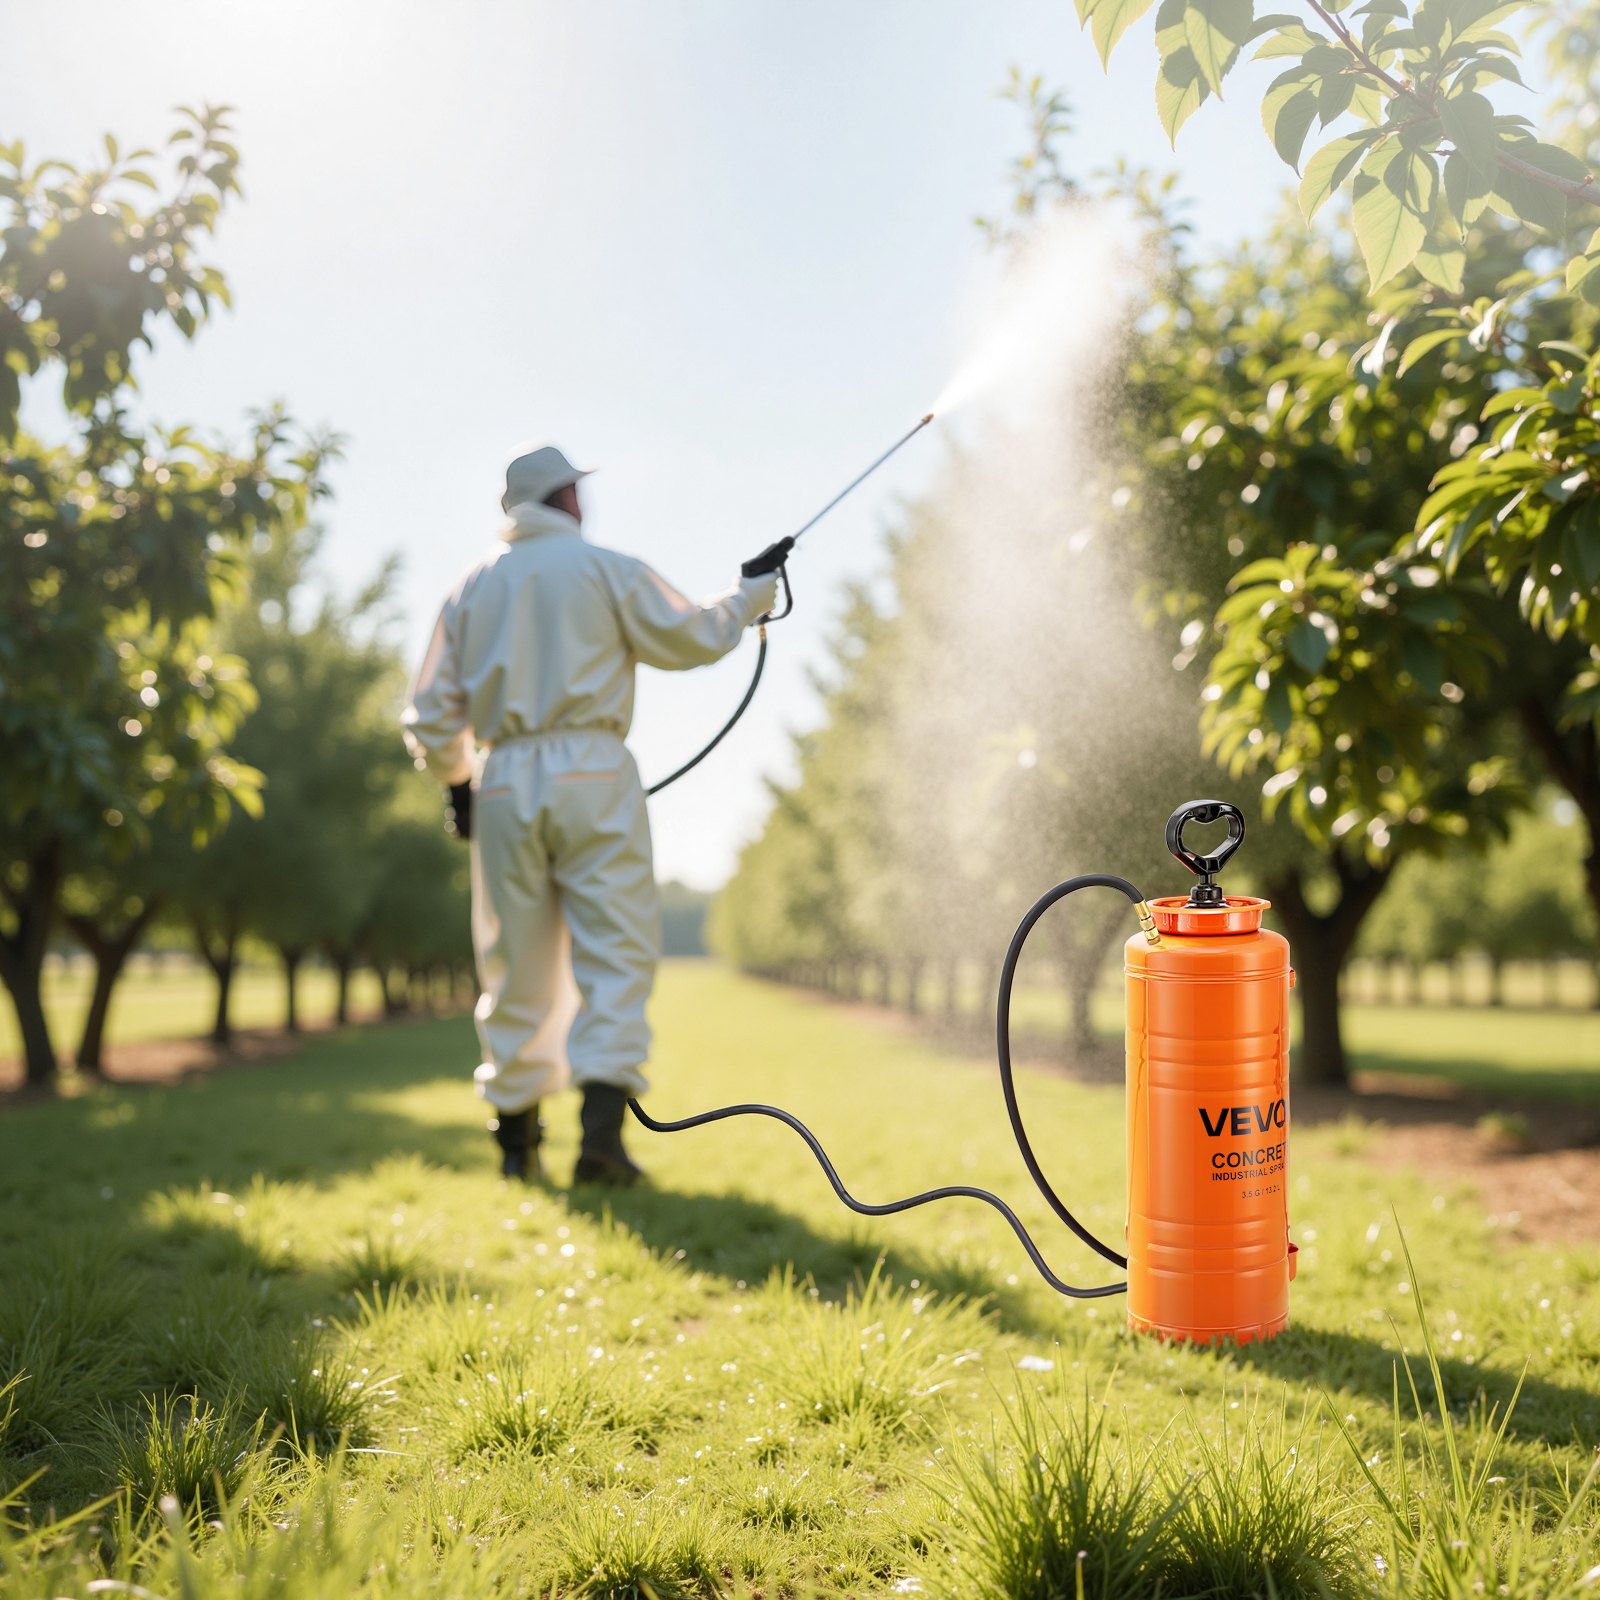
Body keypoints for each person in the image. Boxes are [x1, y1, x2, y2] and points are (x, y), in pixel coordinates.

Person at [401, 445, 777, 1185]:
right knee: (614, 953)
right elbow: (694, 635)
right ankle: (602, 1144)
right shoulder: (604, 569)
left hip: (502, 775)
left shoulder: (471, 587)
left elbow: (430, 712)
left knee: (512, 964)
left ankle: (517, 1152)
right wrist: (752, 594)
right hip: (594, 772)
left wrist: (458, 783)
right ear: (564, 499)